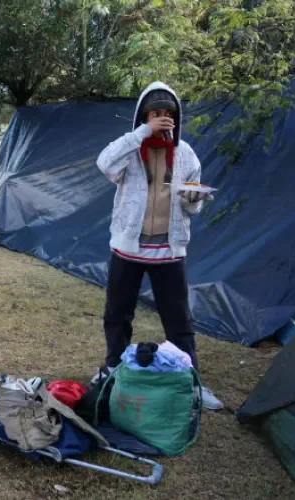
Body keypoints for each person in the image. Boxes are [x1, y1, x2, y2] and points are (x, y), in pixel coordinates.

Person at [94, 81, 224, 410]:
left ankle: (191, 382)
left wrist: (194, 199)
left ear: (177, 118)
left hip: (169, 251)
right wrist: (141, 132)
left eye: (168, 114)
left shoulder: (185, 153)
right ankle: (111, 370)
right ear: (143, 116)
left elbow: (191, 204)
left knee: (179, 320)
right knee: (117, 315)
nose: (163, 119)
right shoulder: (130, 151)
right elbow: (104, 163)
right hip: (128, 249)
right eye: (156, 113)